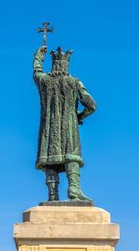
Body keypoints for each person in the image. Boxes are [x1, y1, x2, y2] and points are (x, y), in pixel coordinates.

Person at [33, 46, 97, 201]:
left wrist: (38, 56)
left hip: (49, 128)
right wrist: (79, 116)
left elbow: (36, 72)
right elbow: (91, 105)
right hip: (69, 127)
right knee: (71, 156)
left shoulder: (44, 81)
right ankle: (74, 188)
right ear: (66, 64)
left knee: (50, 158)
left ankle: (52, 195)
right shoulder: (74, 82)